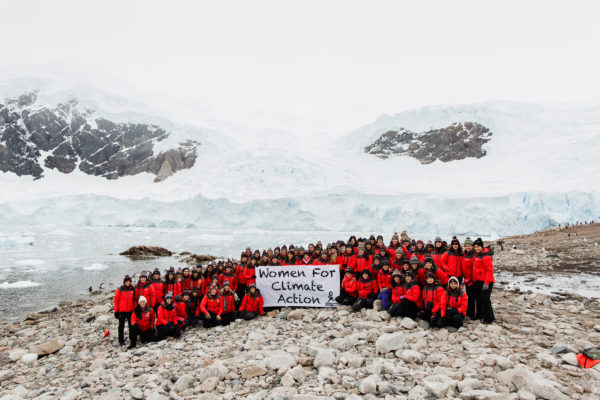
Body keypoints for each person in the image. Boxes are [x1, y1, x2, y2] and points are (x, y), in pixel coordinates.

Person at [472, 238, 495, 323]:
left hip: (485, 281)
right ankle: (481, 315)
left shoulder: (486, 256)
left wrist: (486, 282)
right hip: (479, 280)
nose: (476, 248)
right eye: (475, 247)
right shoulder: (479, 255)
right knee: (480, 299)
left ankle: (488, 318)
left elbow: (489, 270)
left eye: (478, 246)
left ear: (482, 246)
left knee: (485, 299)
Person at [114, 275, 136, 346]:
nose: (128, 282)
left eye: (129, 281)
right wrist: (116, 311)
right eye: (126, 281)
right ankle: (121, 340)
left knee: (131, 326)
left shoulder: (133, 289)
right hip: (122, 310)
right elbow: (116, 301)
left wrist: (134, 309)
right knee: (121, 326)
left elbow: (135, 300)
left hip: (130, 310)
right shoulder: (120, 290)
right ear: (124, 282)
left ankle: (132, 339)